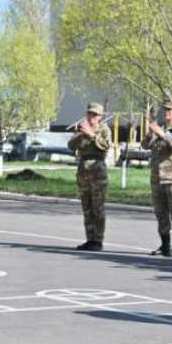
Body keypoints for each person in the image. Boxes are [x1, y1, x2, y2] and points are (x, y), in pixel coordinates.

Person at [143, 97, 172, 257]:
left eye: (170, 109)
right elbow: (145, 145)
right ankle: (165, 244)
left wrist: (161, 133)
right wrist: (150, 133)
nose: (167, 112)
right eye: (165, 109)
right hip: (158, 176)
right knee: (160, 213)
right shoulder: (159, 126)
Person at [68, 103, 110, 251]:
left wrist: (92, 135)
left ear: (100, 116)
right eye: (90, 114)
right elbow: (70, 146)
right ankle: (89, 239)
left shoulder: (104, 129)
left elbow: (105, 145)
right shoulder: (82, 129)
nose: (92, 117)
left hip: (97, 170)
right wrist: (80, 133)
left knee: (97, 208)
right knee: (87, 207)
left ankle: (98, 240)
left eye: (95, 114)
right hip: (83, 170)